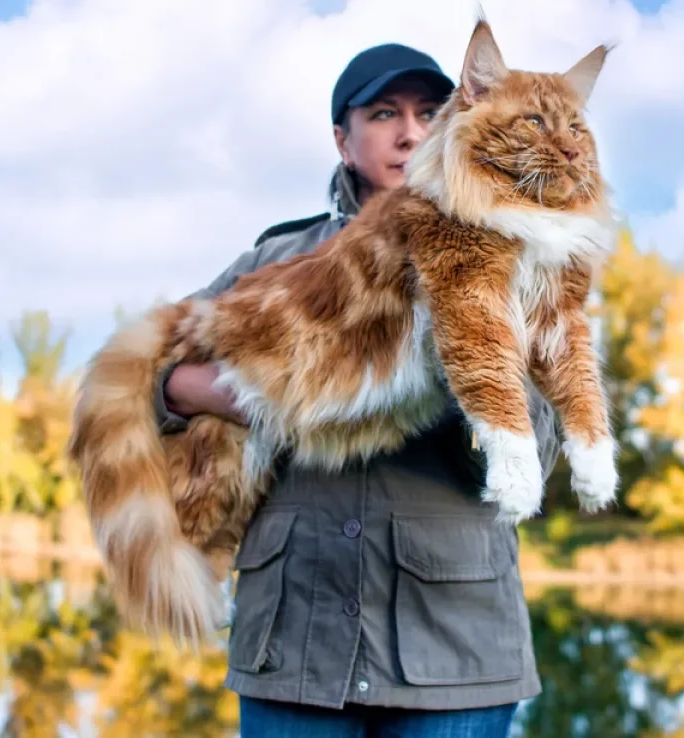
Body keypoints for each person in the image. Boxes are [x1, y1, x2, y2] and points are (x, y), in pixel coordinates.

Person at [153, 42, 561, 737]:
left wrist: (456, 370)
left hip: (454, 655)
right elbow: (149, 374)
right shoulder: (274, 259)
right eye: (383, 113)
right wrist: (226, 394)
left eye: (432, 112)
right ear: (344, 140)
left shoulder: (516, 256)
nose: (410, 131)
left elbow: (541, 450)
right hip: (292, 648)